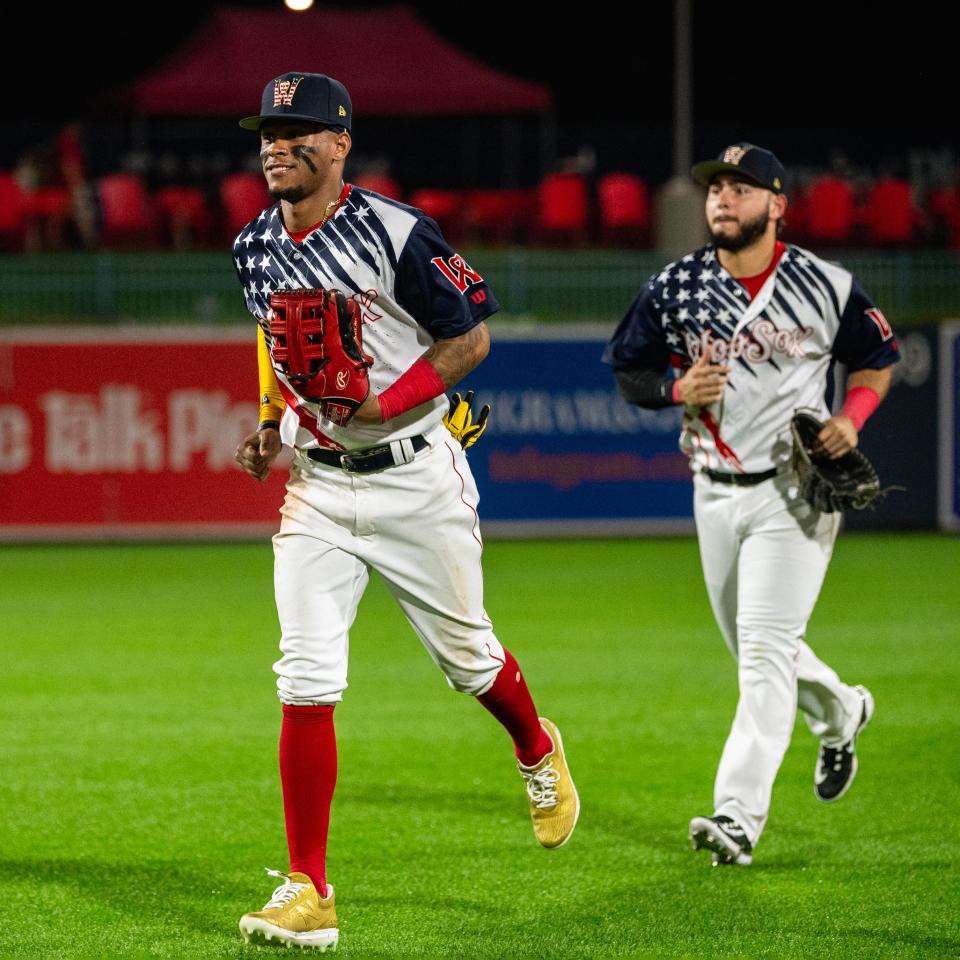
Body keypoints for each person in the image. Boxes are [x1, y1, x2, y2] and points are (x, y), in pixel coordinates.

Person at [231, 72, 579, 949]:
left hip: (416, 476)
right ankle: (309, 889)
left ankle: (536, 748)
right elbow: (275, 337)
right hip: (316, 485)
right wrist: (271, 420)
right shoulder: (252, 245)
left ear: (340, 143)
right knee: (305, 676)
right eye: (270, 130)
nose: (278, 143)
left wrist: (390, 403)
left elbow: (470, 338)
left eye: (298, 129)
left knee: (470, 661)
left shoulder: (395, 231)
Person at [604, 143, 899, 866]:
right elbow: (629, 370)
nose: (722, 199)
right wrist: (677, 391)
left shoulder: (824, 284)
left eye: (740, 188)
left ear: (777, 205)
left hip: (795, 490)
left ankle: (737, 816)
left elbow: (877, 358)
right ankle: (842, 710)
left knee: (763, 657)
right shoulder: (677, 286)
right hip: (713, 491)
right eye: (715, 189)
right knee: (757, 650)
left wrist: (852, 418)